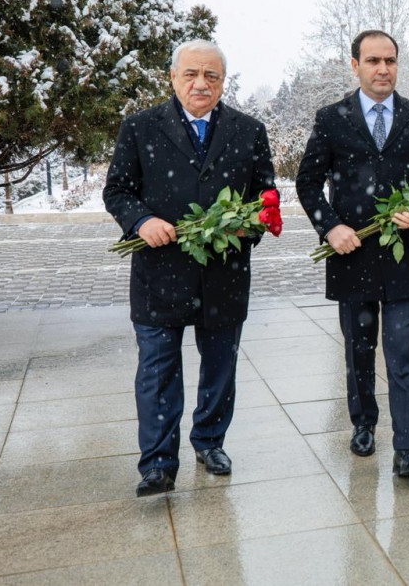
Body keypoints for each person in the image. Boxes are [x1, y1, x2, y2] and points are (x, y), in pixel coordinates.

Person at [103, 39, 276, 496]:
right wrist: (141, 221)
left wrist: (248, 226)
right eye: (191, 75)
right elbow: (118, 190)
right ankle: (157, 463)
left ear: (222, 81)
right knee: (158, 370)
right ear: (173, 77)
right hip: (159, 273)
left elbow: (266, 196)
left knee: (220, 367)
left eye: (212, 76)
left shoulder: (248, 131)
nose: (201, 84)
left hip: (224, 273)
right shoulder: (140, 128)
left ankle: (210, 440)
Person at [295, 30, 409, 477]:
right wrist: (331, 227)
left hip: (406, 255)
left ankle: (407, 447)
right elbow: (307, 183)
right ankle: (363, 424)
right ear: (355, 64)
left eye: (391, 61)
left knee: (403, 350)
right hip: (353, 254)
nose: (383, 69)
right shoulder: (331, 118)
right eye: (374, 61)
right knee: (359, 349)